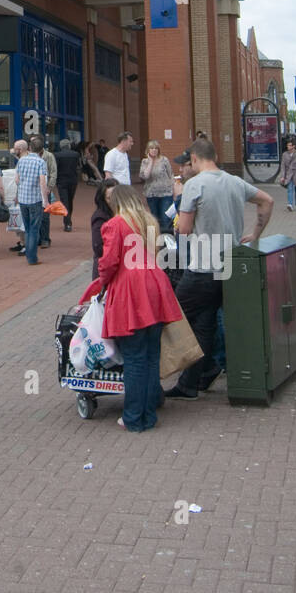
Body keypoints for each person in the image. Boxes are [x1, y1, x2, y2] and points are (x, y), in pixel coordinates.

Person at [167, 137, 273, 400]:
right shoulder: (234, 181)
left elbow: (184, 229)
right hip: (229, 267)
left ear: (194, 158)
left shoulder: (194, 186)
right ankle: (192, 383)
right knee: (204, 325)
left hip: (202, 268)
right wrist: (255, 233)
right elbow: (267, 201)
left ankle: (153, 375)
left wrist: (180, 202)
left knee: (172, 315)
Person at [91, 185, 183, 432]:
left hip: (131, 288)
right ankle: (148, 413)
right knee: (151, 354)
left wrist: (101, 284)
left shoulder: (115, 224)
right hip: (155, 284)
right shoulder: (148, 221)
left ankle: (133, 416)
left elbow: (108, 263)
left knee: (133, 357)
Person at [16, 136, 50, 265]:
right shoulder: (41, 162)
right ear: (42, 150)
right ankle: (32, 257)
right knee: (34, 229)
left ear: (29, 148)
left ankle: (29, 254)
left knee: (28, 228)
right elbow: (42, 182)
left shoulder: (21, 161)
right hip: (35, 199)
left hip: (23, 199)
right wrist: (45, 200)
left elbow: (16, 180)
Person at [139, 140, 175, 231]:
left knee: (165, 218)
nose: (154, 150)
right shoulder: (145, 161)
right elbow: (145, 176)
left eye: (156, 148)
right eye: (151, 148)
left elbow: (170, 174)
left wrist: (173, 189)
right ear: (148, 150)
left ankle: (166, 239)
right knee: (154, 218)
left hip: (165, 193)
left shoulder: (164, 160)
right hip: (151, 194)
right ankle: (156, 239)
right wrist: (151, 162)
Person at [90, 178, 119, 280]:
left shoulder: (122, 213)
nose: (113, 201)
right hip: (105, 270)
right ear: (103, 199)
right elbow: (98, 247)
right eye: (109, 198)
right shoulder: (100, 217)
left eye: (116, 197)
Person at [1, 148, 24, 251]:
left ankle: (25, 245)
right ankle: (23, 243)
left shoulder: (24, 161)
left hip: (23, 196)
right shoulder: (22, 160)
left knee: (23, 222)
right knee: (20, 221)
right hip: (19, 195)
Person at [55, 139, 81, 232]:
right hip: (73, 180)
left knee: (64, 201)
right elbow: (79, 166)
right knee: (70, 200)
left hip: (62, 181)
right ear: (69, 145)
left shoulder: (57, 155)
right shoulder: (76, 154)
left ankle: (67, 223)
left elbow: (56, 169)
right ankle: (68, 219)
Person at [37, 140, 58, 249]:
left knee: (45, 215)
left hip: (45, 189)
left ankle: (45, 239)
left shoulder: (49, 156)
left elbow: (53, 172)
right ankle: (38, 238)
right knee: (36, 215)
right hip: (34, 191)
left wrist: (49, 187)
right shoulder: (31, 156)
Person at [279, 136, 296, 212]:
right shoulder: (285, 154)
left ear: (294, 146)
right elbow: (283, 166)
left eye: (289, 145)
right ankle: (290, 204)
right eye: (287, 145)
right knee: (290, 189)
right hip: (289, 175)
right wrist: (282, 176)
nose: (288, 146)